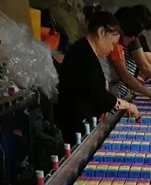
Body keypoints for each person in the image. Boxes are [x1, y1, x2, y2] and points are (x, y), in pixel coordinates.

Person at [56, 7, 139, 144]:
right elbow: (99, 94)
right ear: (101, 32)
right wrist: (127, 105)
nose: (112, 49)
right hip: (75, 122)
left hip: (79, 118)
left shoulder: (85, 51)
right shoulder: (84, 55)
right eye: (112, 43)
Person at [106, 5, 151, 105]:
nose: (134, 39)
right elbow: (125, 74)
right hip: (112, 97)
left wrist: (134, 78)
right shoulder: (115, 46)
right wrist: (150, 93)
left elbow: (123, 73)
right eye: (132, 35)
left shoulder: (119, 45)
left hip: (117, 96)